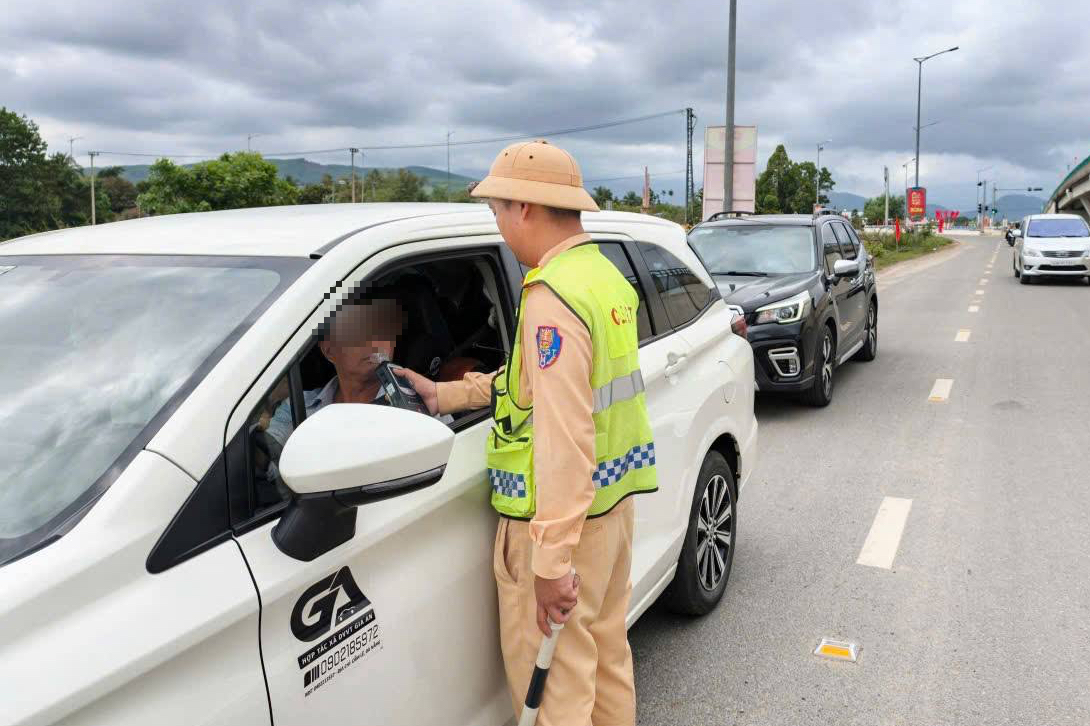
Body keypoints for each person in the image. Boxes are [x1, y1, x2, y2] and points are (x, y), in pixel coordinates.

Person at [399, 139, 657, 726]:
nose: (497, 222)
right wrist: (447, 394)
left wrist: (550, 563)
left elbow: (564, 436)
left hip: (559, 524)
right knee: (608, 665)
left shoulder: (551, 296)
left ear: (524, 207)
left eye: (497, 209)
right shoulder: (602, 277)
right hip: (612, 514)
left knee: (556, 697)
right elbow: (539, 387)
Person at [265, 295, 405, 450]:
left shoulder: (413, 399)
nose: (374, 344)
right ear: (329, 350)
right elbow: (265, 453)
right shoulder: (299, 406)